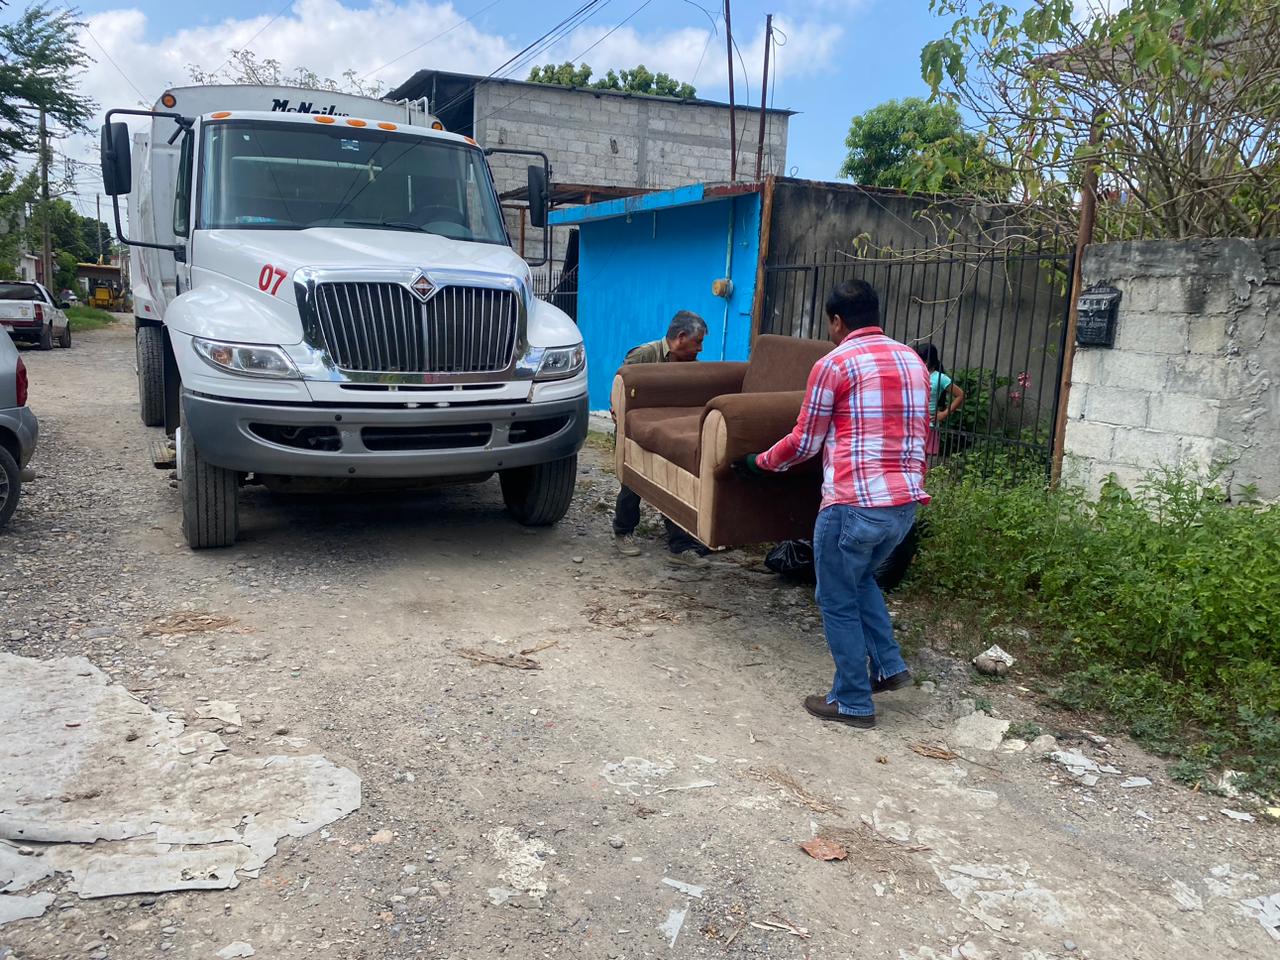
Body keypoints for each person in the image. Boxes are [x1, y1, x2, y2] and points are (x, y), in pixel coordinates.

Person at [737, 281, 931, 728]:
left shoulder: (834, 363)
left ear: (838, 321)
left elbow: (805, 441)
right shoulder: (913, 361)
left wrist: (760, 462)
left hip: (852, 505)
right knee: (860, 578)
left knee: (836, 597)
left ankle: (852, 701)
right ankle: (888, 667)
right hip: (902, 508)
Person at [613, 310, 712, 567]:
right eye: (698, 342)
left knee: (674, 484)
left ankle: (681, 546)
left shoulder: (691, 366)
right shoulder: (643, 355)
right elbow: (622, 391)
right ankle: (624, 532)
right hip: (636, 432)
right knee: (632, 483)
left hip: (667, 434)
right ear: (680, 337)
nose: (700, 349)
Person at [915, 343, 965, 459]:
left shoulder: (940, 378)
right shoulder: (915, 374)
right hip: (913, 421)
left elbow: (960, 395)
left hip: (929, 424)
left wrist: (944, 414)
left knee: (923, 459)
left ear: (926, 361)